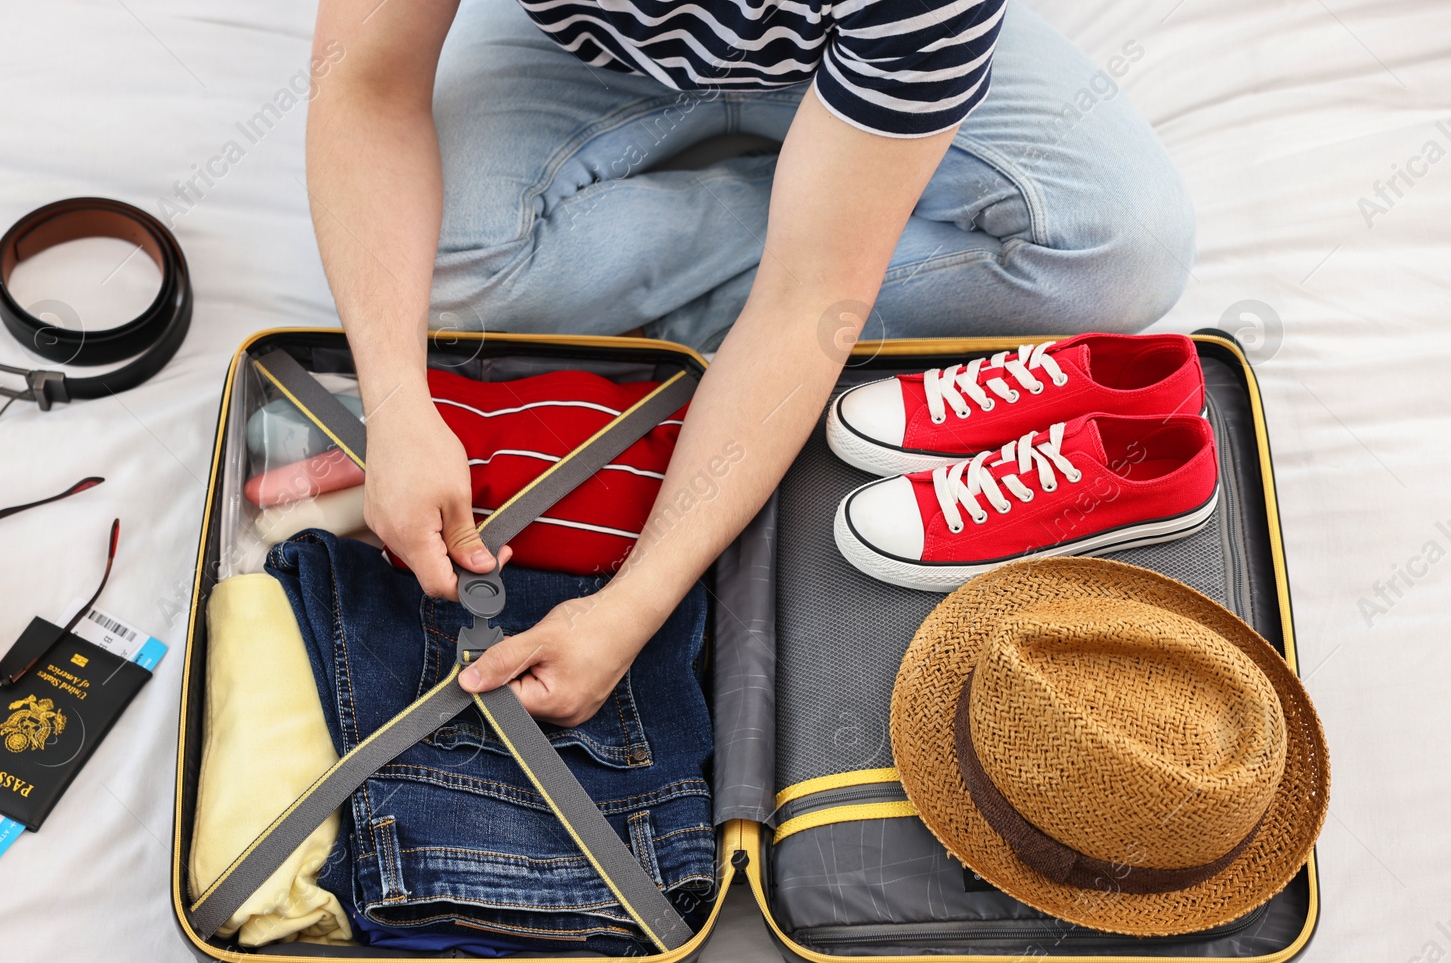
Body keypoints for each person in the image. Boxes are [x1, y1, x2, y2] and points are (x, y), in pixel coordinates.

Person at [304, 0, 1194, 726]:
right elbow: (365, 85)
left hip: (850, 55)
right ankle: (835, 191)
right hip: (590, 62)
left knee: (1127, 248)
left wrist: (632, 606)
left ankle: (850, 183)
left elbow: (811, 301)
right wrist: (393, 398)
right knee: (440, 284)